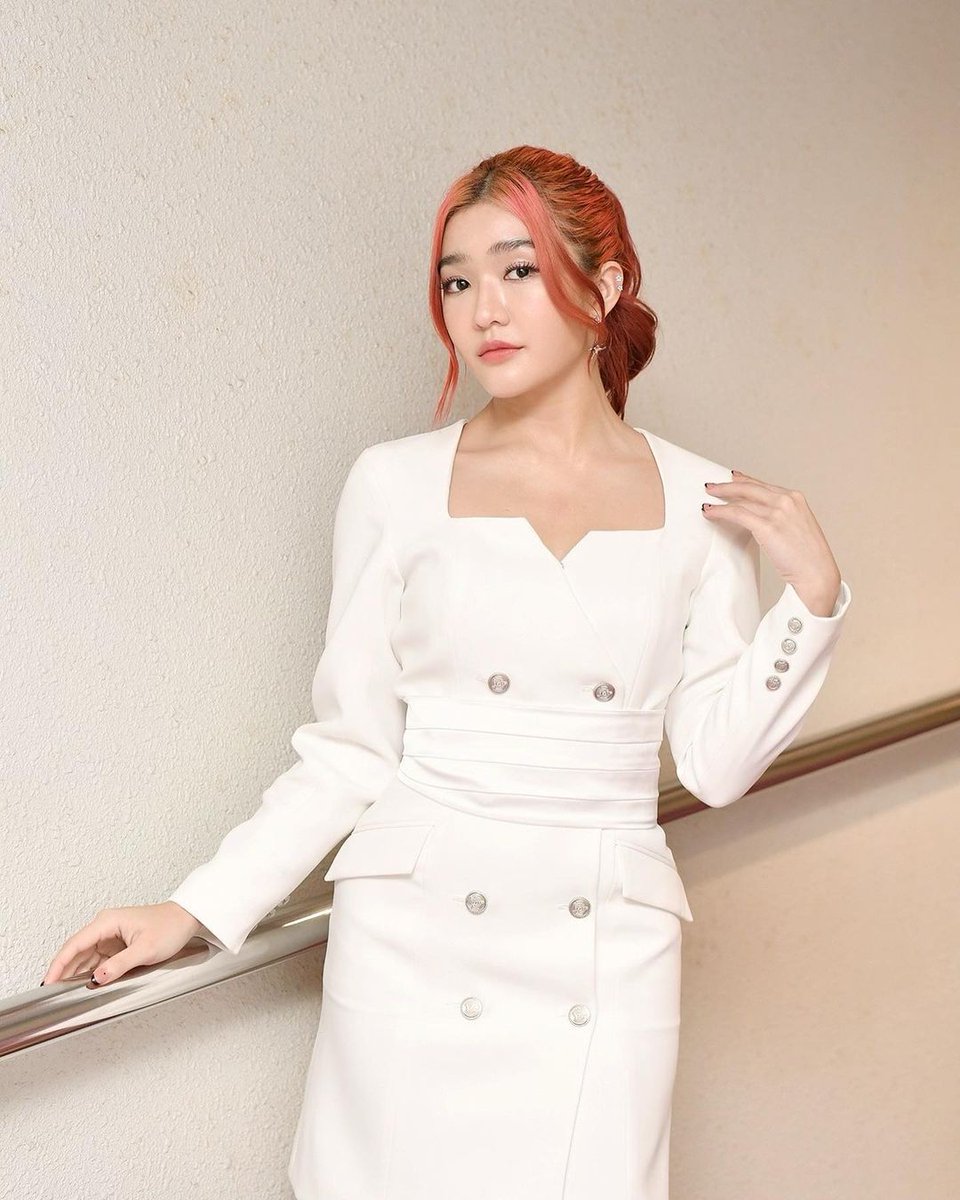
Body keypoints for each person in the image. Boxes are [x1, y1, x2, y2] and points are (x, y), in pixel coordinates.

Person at [42, 145, 852, 1199]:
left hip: (602, 952)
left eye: (518, 270)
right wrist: (194, 909)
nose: (483, 311)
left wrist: (814, 598)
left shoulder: (704, 503)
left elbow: (714, 766)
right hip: (416, 946)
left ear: (605, 287)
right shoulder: (394, 486)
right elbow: (349, 751)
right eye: (457, 281)